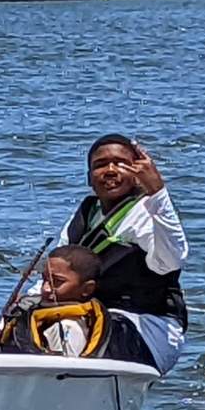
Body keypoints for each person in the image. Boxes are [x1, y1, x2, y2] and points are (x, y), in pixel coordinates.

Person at [38, 134, 187, 373]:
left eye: (120, 163)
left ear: (138, 173)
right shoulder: (85, 215)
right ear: (89, 178)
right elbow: (56, 273)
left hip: (146, 325)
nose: (110, 170)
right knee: (27, 317)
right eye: (100, 165)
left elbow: (171, 261)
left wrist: (157, 192)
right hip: (87, 315)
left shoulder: (149, 213)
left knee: (67, 327)